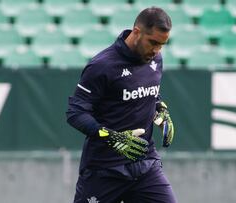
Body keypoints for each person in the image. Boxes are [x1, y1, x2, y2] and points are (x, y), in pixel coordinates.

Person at [66, 7, 176, 203]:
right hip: (105, 171)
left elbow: (150, 93)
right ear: (136, 32)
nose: (157, 50)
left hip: (145, 165)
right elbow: (75, 112)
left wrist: (161, 109)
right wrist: (110, 136)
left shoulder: (155, 59)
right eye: (153, 43)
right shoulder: (102, 65)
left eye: (161, 45)